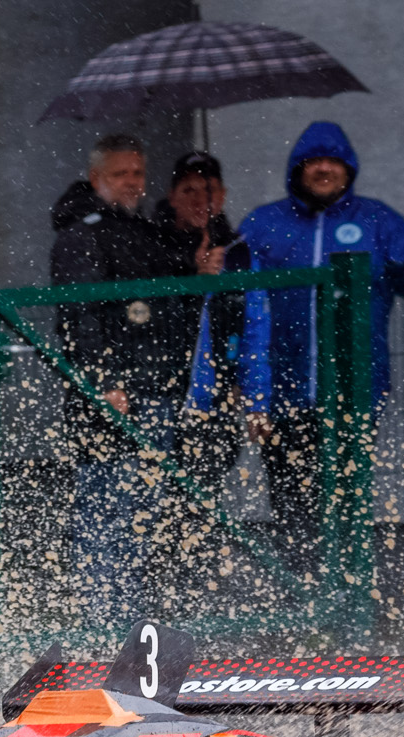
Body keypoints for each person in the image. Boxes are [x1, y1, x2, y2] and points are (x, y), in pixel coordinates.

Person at [231, 122, 404, 576]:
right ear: (298, 169)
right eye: (314, 161)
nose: (324, 169)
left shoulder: (376, 221)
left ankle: (350, 596)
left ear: (348, 169)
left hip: (354, 393)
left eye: (334, 161)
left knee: (348, 499)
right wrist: (244, 379)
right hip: (284, 394)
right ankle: (303, 594)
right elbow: (234, 298)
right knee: (291, 501)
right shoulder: (264, 224)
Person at [48, 134, 199, 613]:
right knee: (105, 506)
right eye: (120, 173)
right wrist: (105, 382)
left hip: (154, 388)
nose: (132, 182)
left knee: (142, 508)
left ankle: (125, 613)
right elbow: (80, 318)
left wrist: (197, 265)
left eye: (138, 172)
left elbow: (164, 297)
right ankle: (104, 615)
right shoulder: (83, 235)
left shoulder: (142, 230)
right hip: (112, 394)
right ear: (96, 178)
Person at [157, 151, 249, 493]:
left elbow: (248, 320)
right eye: (189, 190)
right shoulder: (151, 245)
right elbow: (152, 315)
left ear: (222, 196)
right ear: (172, 196)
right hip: (163, 391)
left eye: (208, 190)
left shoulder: (238, 250)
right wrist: (193, 277)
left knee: (205, 490)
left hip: (216, 392)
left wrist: (239, 378)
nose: (200, 200)